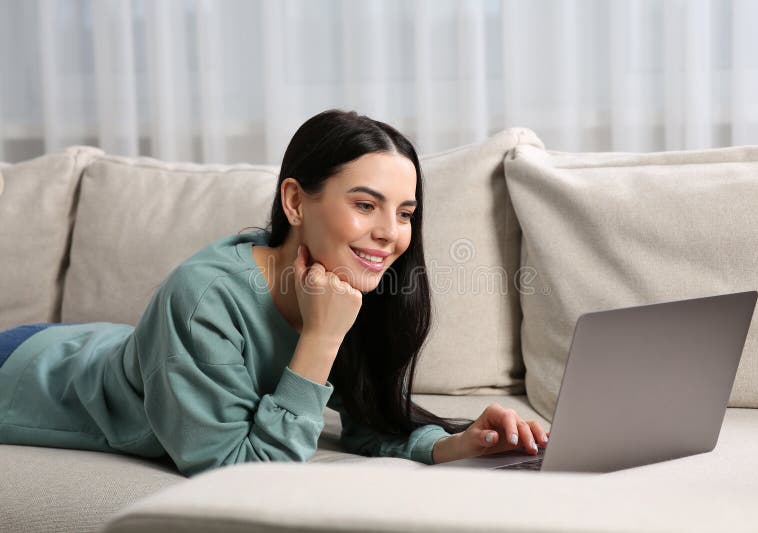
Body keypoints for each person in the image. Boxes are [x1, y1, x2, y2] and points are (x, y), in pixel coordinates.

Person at [0, 109, 548, 477]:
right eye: (365, 205)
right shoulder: (202, 297)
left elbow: (368, 424)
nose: (390, 233)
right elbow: (243, 475)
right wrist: (320, 336)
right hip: (26, 371)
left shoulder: (350, 281)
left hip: (94, 343)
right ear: (295, 202)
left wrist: (459, 445)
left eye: (404, 213)